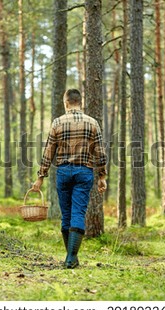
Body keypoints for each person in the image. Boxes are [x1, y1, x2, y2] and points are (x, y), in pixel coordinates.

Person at [32, 88, 107, 269]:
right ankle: (71, 257)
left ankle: (70, 257)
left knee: (66, 214)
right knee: (78, 213)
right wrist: (102, 176)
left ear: (66, 103)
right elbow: (100, 152)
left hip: (64, 172)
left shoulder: (57, 122)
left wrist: (41, 176)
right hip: (84, 173)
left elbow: (48, 151)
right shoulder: (92, 122)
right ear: (80, 102)